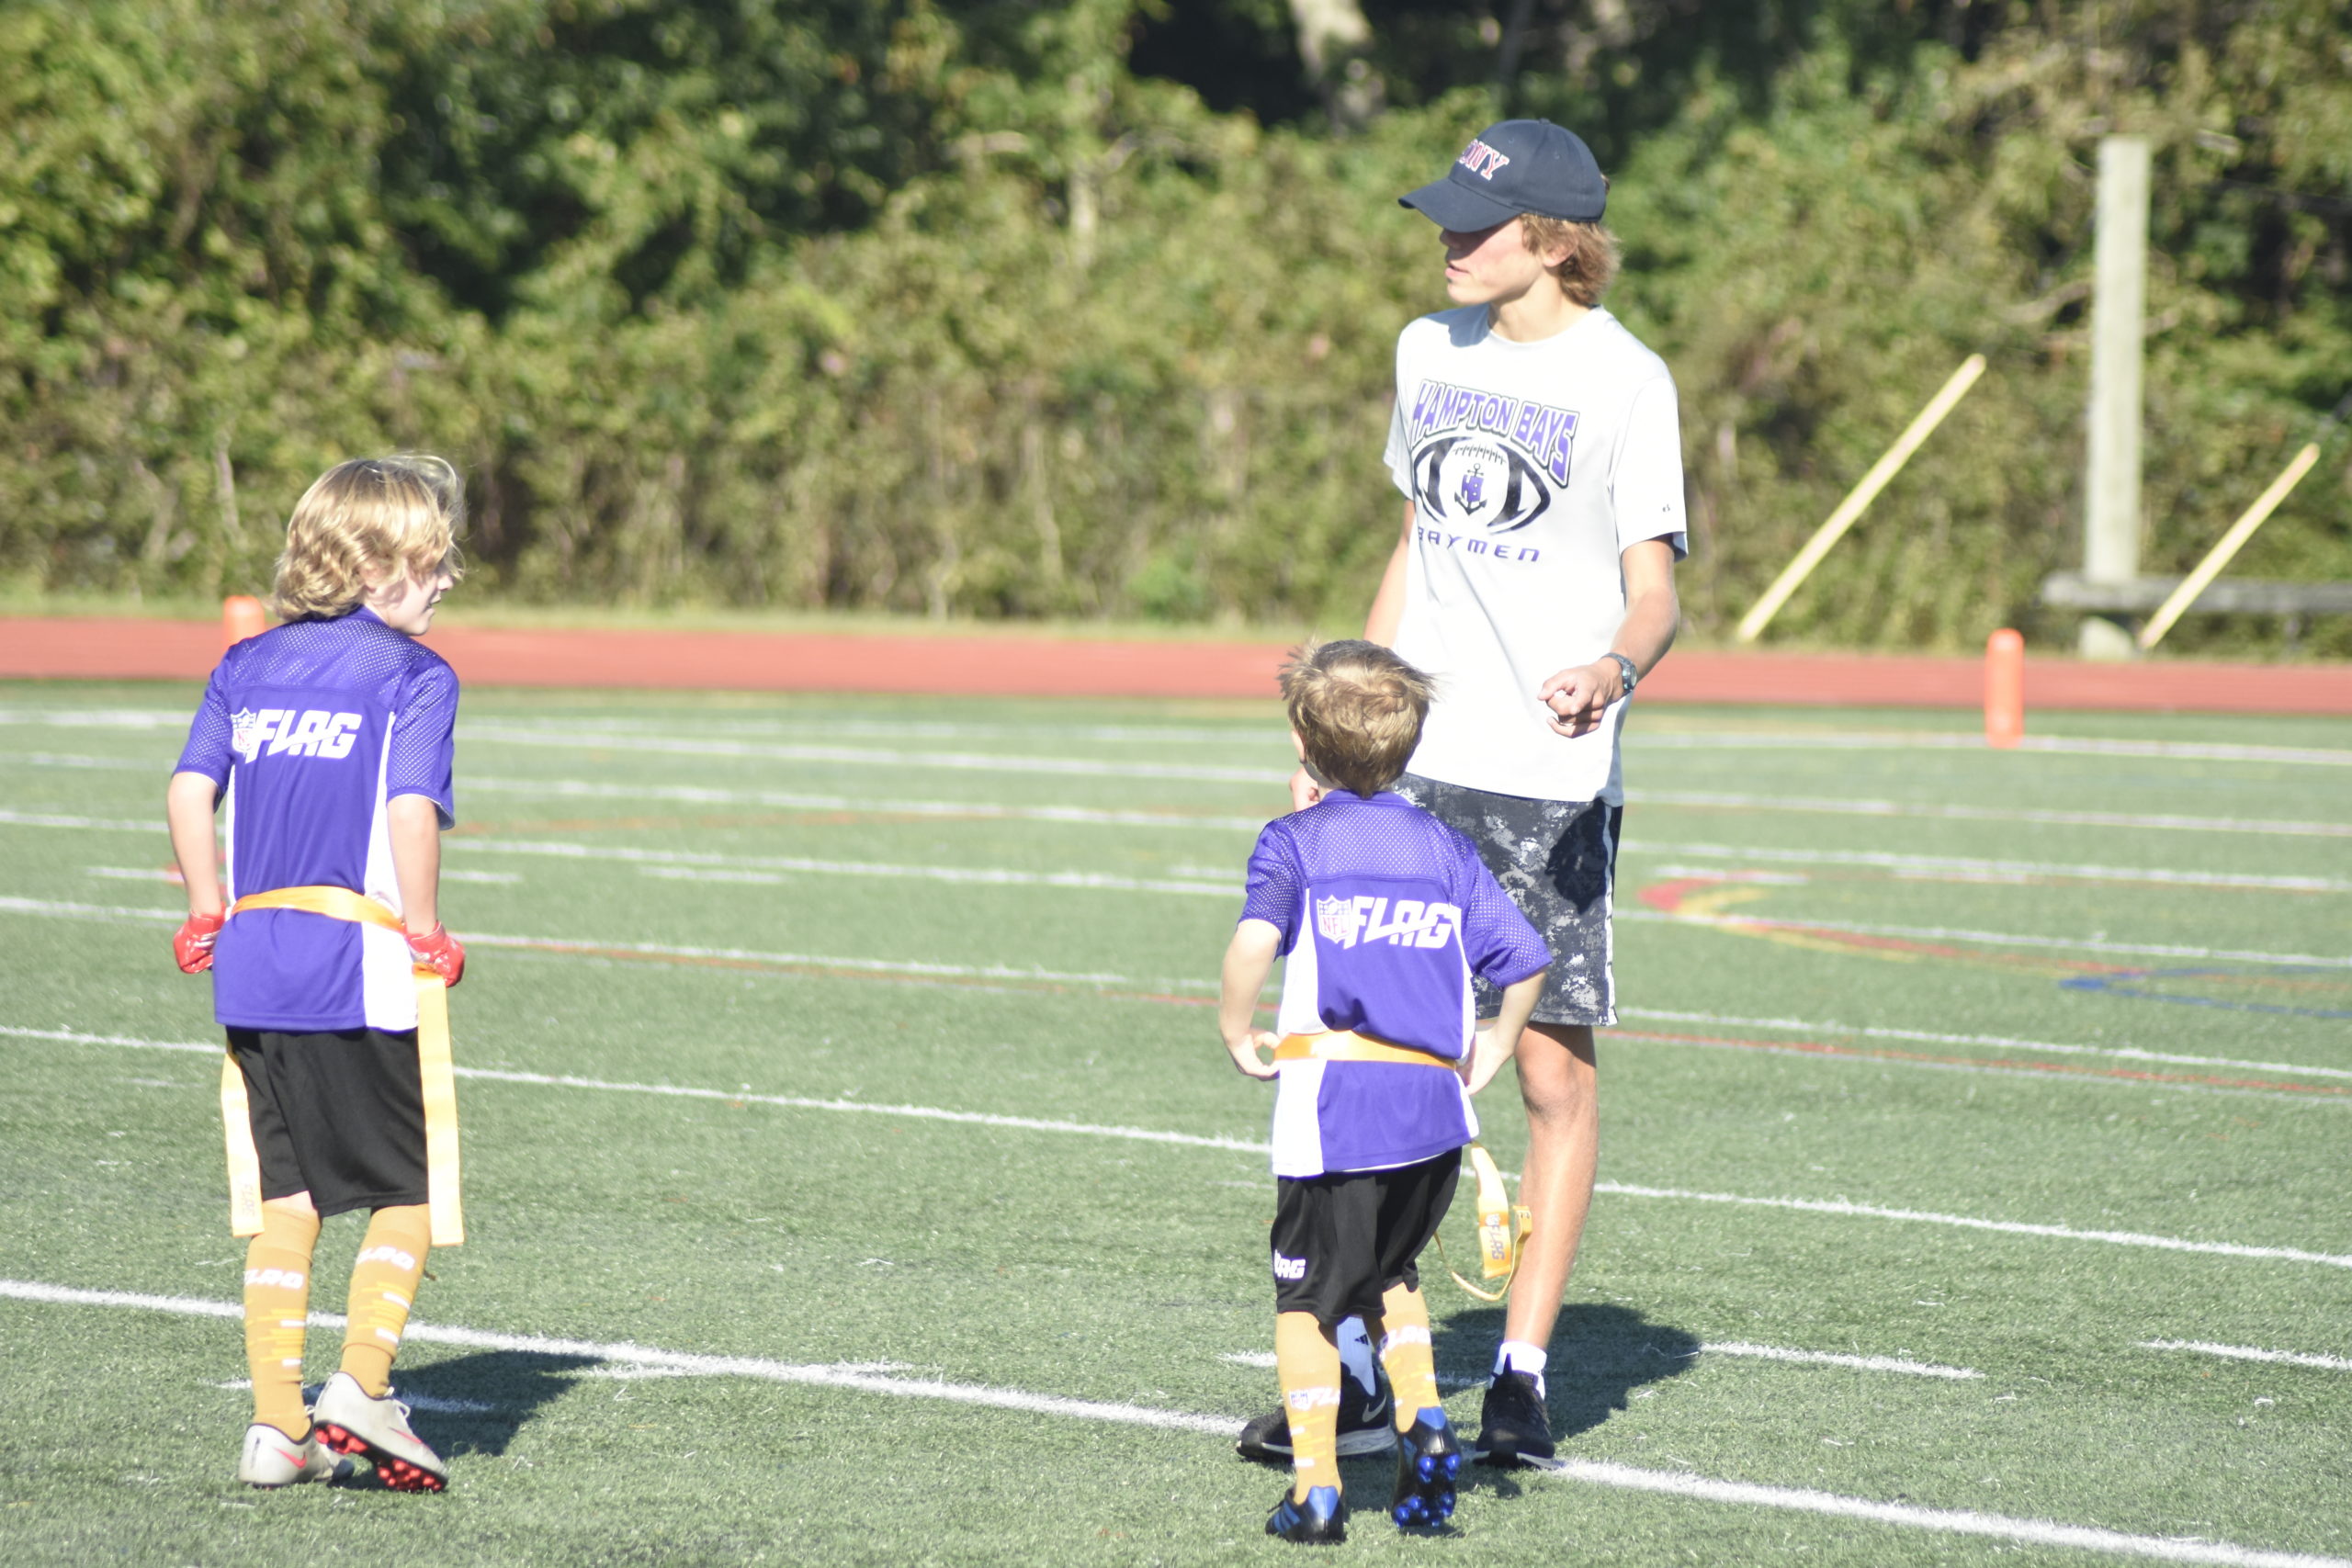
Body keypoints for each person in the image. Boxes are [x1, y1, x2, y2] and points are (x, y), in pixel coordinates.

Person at [1245, 118, 1687, 1469]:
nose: (1447, 241)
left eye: (1475, 225)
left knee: (1548, 1071)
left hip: (1543, 780)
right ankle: (1371, 1362)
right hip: (1416, 769)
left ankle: (1526, 1375)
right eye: (1442, 219)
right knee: (1379, 1067)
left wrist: (1612, 666)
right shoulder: (1423, 351)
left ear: (1555, 243)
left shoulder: (1627, 380)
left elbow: (1658, 588)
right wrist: (1337, 730)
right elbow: (1415, 540)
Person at [168, 455, 471, 1492]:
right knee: (409, 1190)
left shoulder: (246, 664)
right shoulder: (414, 676)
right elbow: (408, 812)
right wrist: (426, 929)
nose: (448, 580)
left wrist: (208, 911)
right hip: (357, 959)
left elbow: (188, 789)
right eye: (432, 559)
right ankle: (362, 1387)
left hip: (251, 963)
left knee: (287, 1196)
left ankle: (272, 1427)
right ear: (377, 564)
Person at [1221, 640, 1549, 1541]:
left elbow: (1255, 941)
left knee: (1303, 1302)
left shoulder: (1296, 841)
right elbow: (1523, 960)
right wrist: (1496, 1042)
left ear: (1302, 740)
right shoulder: (1442, 846)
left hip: (1335, 1113)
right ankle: (1423, 1417)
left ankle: (1317, 1490)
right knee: (1391, 1276)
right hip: (1435, 1115)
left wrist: (1231, 1025)